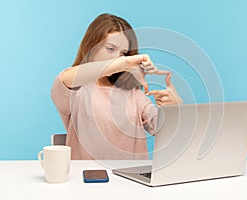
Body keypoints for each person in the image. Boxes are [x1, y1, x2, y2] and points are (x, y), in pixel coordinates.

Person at [51, 13, 183, 160]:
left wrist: (175, 109)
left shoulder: (133, 93)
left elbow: (162, 130)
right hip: (86, 179)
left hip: (130, 180)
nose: (117, 58)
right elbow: (65, 79)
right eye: (110, 48)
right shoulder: (76, 89)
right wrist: (122, 63)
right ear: (91, 46)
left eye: (123, 53)